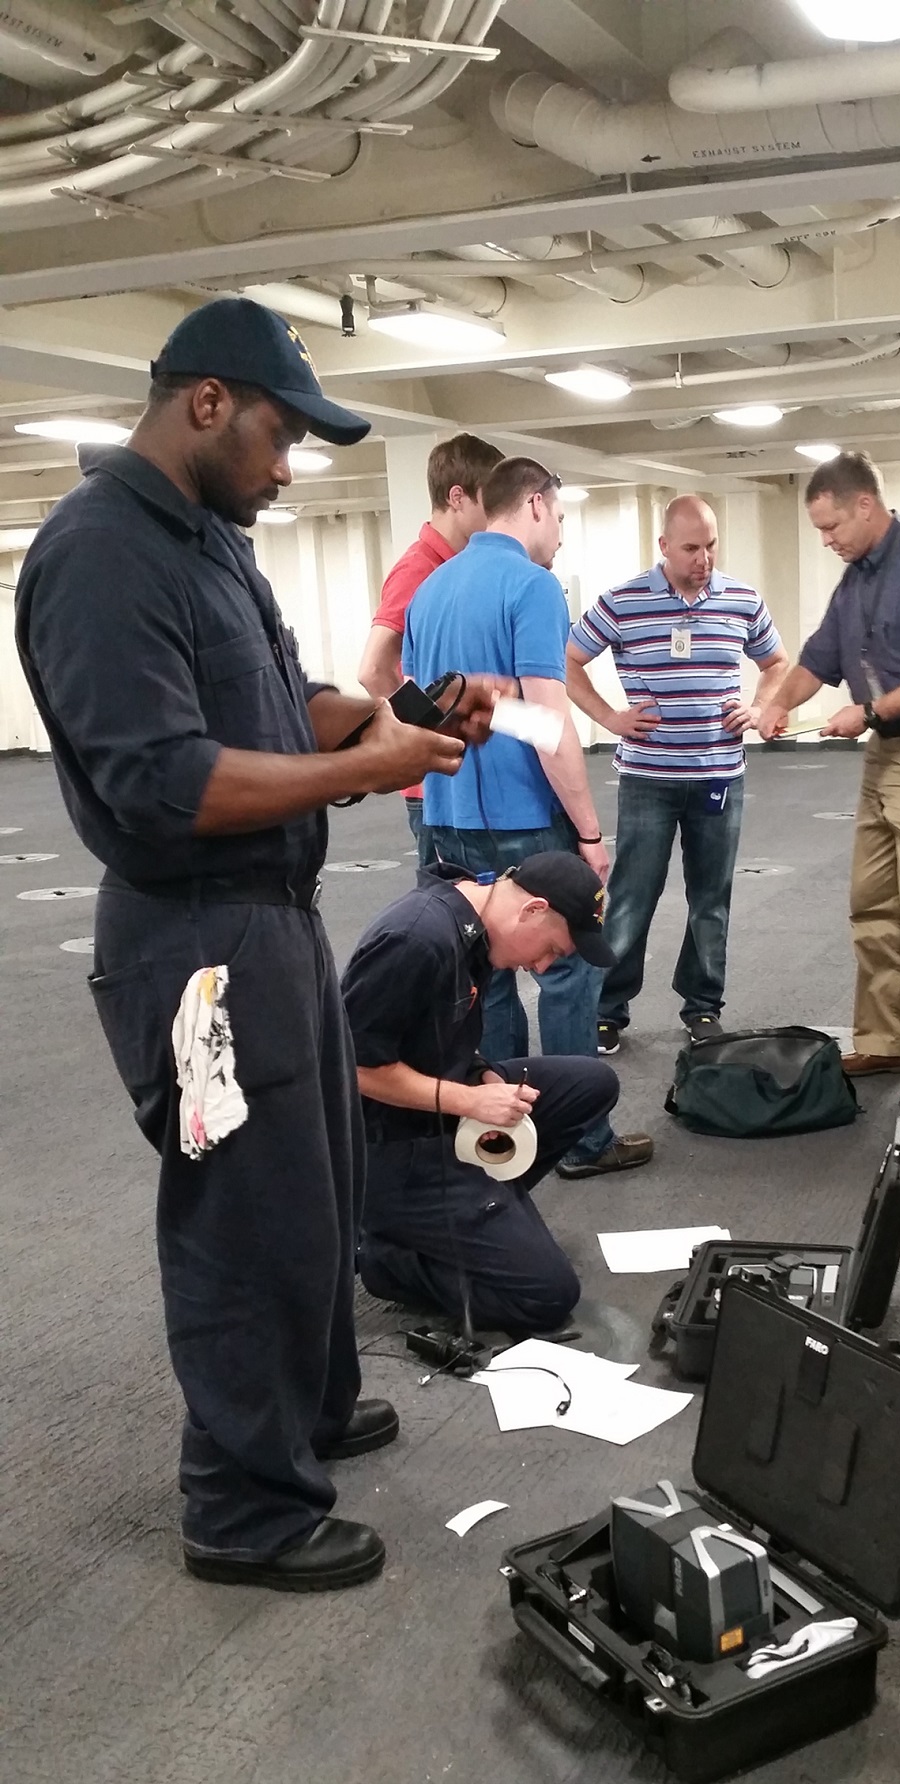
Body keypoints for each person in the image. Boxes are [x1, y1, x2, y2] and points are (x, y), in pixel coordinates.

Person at [15, 295, 504, 1594]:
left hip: (269, 923)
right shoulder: (100, 552)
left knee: (319, 1191)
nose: (289, 469)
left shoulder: (212, 543)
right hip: (193, 941)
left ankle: (312, 1406)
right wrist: (373, 769)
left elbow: (289, 707)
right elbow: (167, 785)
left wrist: (394, 715)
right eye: (281, 436)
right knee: (241, 1217)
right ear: (207, 403)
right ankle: (240, 1503)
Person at [403, 453, 652, 1181]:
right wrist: (589, 832)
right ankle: (580, 1139)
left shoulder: (431, 589)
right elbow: (551, 725)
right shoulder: (534, 588)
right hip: (523, 820)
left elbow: (422, 705)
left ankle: (511, 1133)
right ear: (537, 505)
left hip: (445, 813)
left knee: (489, 974)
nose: (562, 536)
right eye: (563, 518)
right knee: (567, 968)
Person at [757, 451, 900, 1113]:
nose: (826, 540)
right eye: (819, 531)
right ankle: (890, 1038)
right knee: (871, 905)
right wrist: (779, 702)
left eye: (832, 527)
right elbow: (818, 658)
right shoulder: (856, 577)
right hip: (888, 754)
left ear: (866, 504)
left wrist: (869, 711)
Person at [343, 852, 619, 1333]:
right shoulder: (417, 940)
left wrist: (482, 1074)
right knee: (548, 1295)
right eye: (551, 948)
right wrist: (470, 1101)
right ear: (532, 910)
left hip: (437, 1105)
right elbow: (352, 1066)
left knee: (592, 1083)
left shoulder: (475, 928)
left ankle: (484, 1205)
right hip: (385, 1148)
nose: (542, 965)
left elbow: (435, 1037)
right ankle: (384, 1256)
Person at [565, 493, 788, 1053]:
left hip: (719, 777)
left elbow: (776, 662)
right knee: (632, 896)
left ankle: (703, 1006)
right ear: (663, 546)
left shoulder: (742, 599)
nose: (703, 558)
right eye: (691, 547)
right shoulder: (622, 601)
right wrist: (610, 716)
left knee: (711, 898)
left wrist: (760, 708)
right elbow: (565, 661)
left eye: (711, 545)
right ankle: (608, 1008)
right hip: (648, 779)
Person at [357, 432, 503, 868]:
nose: (498, 517)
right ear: (457, 497)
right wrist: (421, 734)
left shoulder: (461, 568)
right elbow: (374, 668)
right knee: (449, 914)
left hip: (464, 775)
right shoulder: (419, 568)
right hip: (433, 789)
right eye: (489, 504)